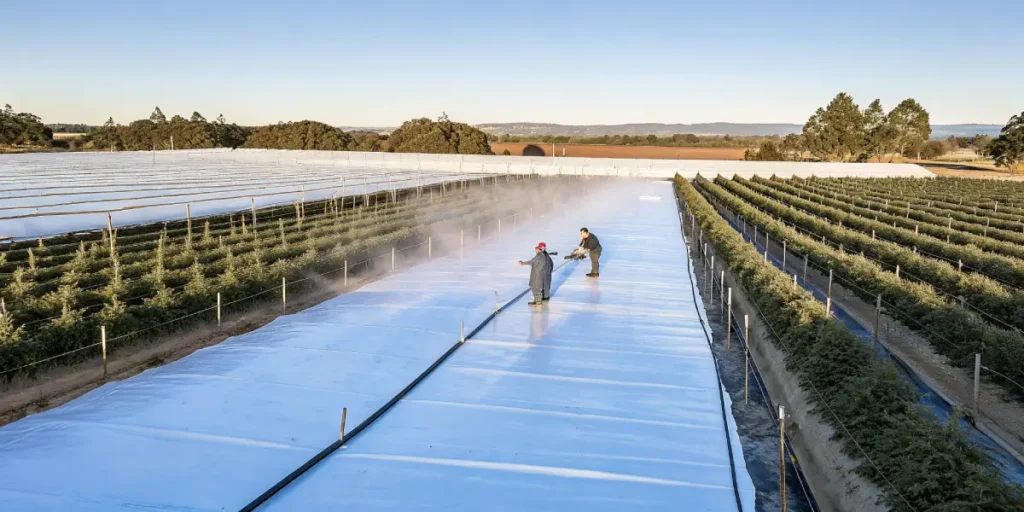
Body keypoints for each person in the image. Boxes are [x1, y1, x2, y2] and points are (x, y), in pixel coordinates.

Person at [519, 242, 553, 306]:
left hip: (538, 274)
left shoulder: (539, 256)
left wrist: (523, 263)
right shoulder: (547, 256)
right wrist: (548, 272)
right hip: (545, 275)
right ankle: (545, 297)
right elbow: (551, 265)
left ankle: (538, 301)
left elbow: (532, 262)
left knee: (535, 286)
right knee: (544, 286)